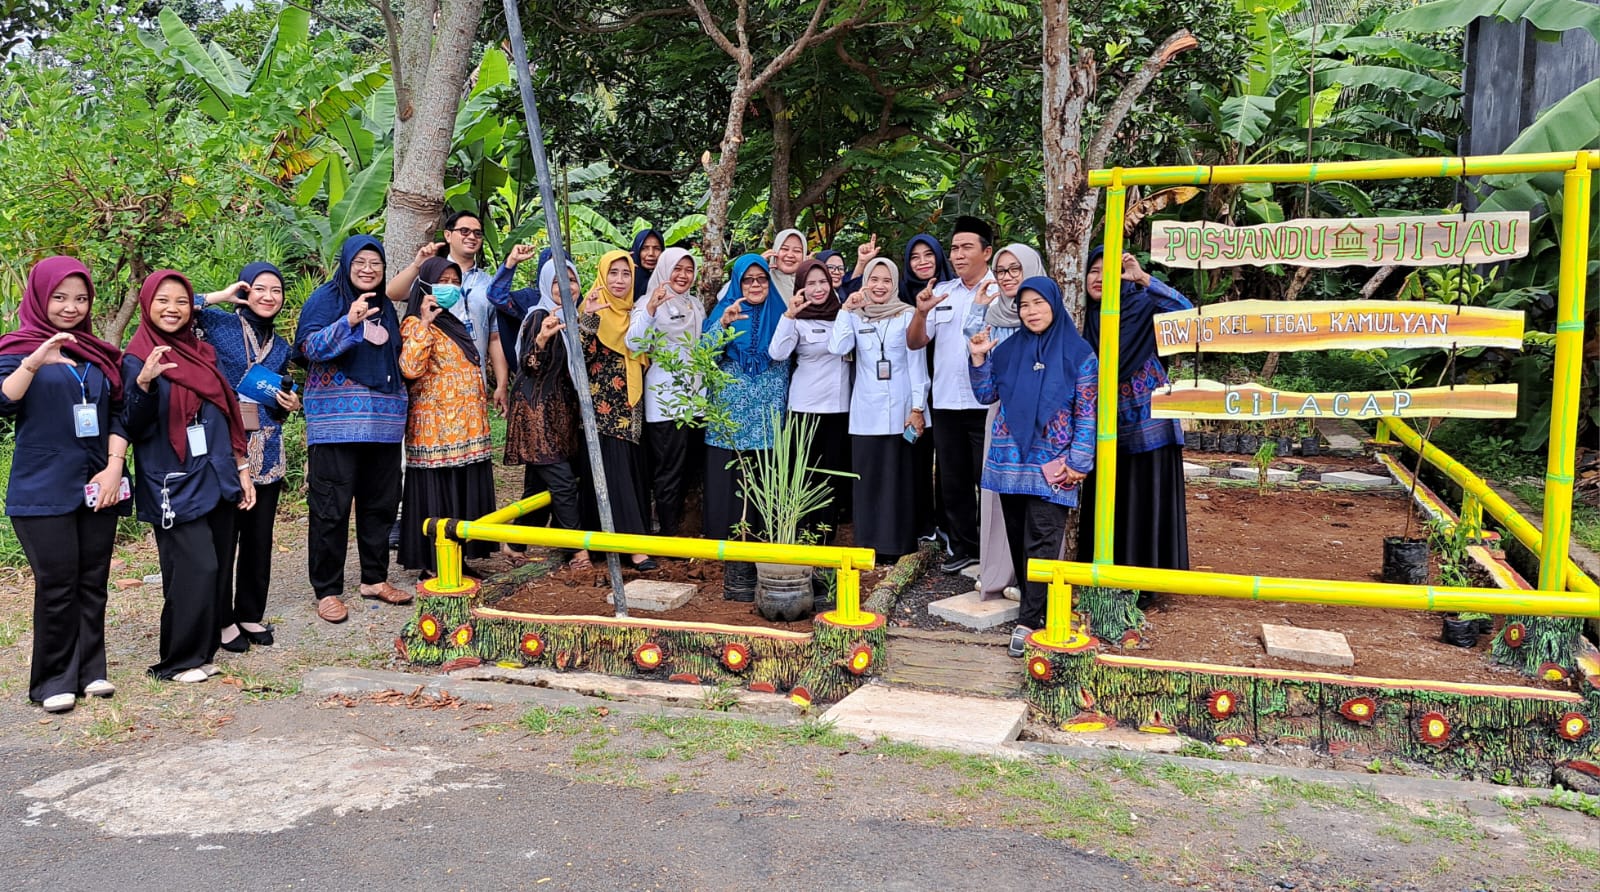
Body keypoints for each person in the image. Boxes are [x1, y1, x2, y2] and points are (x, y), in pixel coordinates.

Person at [0, 257, 129, 712]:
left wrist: (114, 466)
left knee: (93, 581)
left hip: (97, 482)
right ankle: (53, 679)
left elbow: (119, 411)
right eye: (59, 297)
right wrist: (35, 362)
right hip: (42, 487)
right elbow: (2, 403)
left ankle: (91, 671)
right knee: (57, 583)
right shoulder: (16, 349)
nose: (71, 307)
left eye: (80, 298)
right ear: (39, 297)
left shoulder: (96, 353)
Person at [122, 271, 257, 682]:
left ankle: (201, 652)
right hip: (172, 481)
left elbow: (225, 416)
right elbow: (131, 425)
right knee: (194, 568)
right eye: (162, 300)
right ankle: (177, 661)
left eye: (181, 301)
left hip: (215, 474)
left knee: (216, 566)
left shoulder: (202, 353)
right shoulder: (136, 358)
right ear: (147, 304)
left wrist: (242, 469)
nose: (172, 309)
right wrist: (144, 384)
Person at [967, 276, 1097, 657]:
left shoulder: (1079, 354)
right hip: (1009, 465)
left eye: (1039, 303)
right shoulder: (1008, 350)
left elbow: (1087, 412)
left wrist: (1079, 460)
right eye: (1024, 305)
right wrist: (979, 357)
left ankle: (1028, 621)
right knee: (1020, 541)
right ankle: (1033, 608)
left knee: (1042, 541)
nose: (1031, 311)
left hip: (1053, 467)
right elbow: (986, 394)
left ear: (1054, 304)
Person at [295, 235, 411, 624]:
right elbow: (309, 349)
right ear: (346, 264)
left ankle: (374, 579)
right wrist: (348, 321)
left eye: (375, 263)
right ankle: (327, 589)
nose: (367, 269)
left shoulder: (386, 307)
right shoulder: (326, 300)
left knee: (380, 505)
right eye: (360, 262)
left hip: (383, 426)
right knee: (331, 508)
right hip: (336, 426)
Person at [194, 262, 300, 651]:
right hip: (225, 447)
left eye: (276, 290)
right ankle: (223, 619)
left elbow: (274, 401)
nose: (268, 297)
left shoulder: (281, 346)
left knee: (259, 539)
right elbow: (172, 308)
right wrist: (219, 296)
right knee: (224, 538)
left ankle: (250, 613)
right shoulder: (218, 323)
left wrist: (289, 404)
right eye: (260, 288)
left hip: (266, 451)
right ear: (245, 290)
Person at [1077, 248, 1193, 581]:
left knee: (1143, 499)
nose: (1099, 278)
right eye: (1093, 271)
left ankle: (1147, 580)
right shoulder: (1082, 316)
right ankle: (1104, 579)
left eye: (1109, 271)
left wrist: (1143, 279)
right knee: (1107, 500)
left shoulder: (1143, 305)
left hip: (1148, 426)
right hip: (1101, 426)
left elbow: (1186, 316)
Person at [907, 216, 997, 574]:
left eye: (966, 247)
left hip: (986, 403)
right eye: (955, 248)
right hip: (945, 402)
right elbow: (916, 342)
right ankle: (963, 548)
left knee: (988, 480)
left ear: (986, 252)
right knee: (953, 481)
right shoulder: (941, 293)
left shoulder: (1002, 292)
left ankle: (995, 552)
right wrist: (921, 312)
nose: (958, 255)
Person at [397, 257, 496, 578]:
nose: (450, 287)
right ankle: (432, 564)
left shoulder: (453, 322)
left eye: (455, 282)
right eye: (443, 281)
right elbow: (409, 368)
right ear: (425, 285)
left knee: (460, 495)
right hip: (436, 433)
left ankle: (458, 559)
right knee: (438, 497)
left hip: (465, 431)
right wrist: (425, 324)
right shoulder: (414, 324)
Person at [962, 243, 1047, 602]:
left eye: (1015, 269)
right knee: (999, 499)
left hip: (1041, 417)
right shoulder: (994, 313)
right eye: (1001, 270)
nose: (1008, 277)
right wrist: (979, 307)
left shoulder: (1045, 312)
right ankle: (998, 571)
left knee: (1036, 500)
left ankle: (1033, 580)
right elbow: (974, 345)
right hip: (1000, 414)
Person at [828, 257, 928, 561]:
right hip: (866, 411)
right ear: (865, 282)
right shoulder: (856, 317)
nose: (880, 286)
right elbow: (837, 347)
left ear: (895, 284)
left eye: (886, 280)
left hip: (901, 408)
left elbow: (917, 364)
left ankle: (898, 545)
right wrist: (846, 309)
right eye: (874, 279)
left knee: (898, 479)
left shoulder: (908, 315)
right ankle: (869, 544)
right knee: (868, 479)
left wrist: (918, 407)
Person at [505, 257, 593, 569]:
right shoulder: (539, 316)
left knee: (538, 486)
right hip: (536, 416)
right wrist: (542, 338)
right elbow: (529, 365)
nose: (566, 287)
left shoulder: (570, 319)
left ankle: (515, 544)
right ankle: (577, 551)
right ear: (545, 285)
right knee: (563, 483)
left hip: (557, 415)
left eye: (572, 280)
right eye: (557, 282)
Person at [702, 255, 789, 541]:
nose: (755, 285)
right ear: (738, 283)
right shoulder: (724, 311)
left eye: (761, 279)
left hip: (767, 413)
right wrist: (723, 325)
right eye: (748, 280)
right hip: (730, 415)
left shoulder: (781, 312)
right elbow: (705, 357)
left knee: (764, 473)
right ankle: (724, 538)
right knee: (728, 475)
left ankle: (763, 538)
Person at [579, 250, 655, 570]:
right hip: (603, 413)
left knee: (631, 478)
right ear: (602, 275)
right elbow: (578, 359)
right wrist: (589, 318)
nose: (620, 280)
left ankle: (613, 542)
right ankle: (634, 549)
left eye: (626, 274)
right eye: (613, 273)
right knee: (615, 477)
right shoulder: (591, 309)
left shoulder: (634, 313)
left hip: (633, 412)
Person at [626, 246, 705, 537]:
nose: (683, 275)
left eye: (689, 270)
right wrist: (650, 309)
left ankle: (681, 529)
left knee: (689, 471)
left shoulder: (695, 304)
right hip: (665, 400)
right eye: (677, 269)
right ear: (664, 270)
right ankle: (667, 535)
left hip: (696, 399)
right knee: (668, 471)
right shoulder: (647, 302)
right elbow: (634, 343)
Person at [770, 257, 851, 536]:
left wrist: (846, 313)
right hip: (805, 407)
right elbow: (777, 353)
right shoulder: (797, 319)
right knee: (802, 473)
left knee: (831, 475)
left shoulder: (844, 313)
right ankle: (797, 532)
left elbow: (845, 348)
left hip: (838, 407)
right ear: (801, 287)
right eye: (811, 283)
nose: (818, 289)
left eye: (823, 282)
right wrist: (789, 316)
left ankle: (824, 537)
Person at [764, 228, 808, 302]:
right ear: (775, 250)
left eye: (797, 251)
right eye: (784, 249)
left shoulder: (811, 285)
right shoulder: (761, 283)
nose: (790, 255)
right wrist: (756, 267)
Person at [629, 228, 665, 299]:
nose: (651, 253)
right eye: (644, 248)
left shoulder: (668, 279)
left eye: (656, 248)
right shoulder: (624, 279)